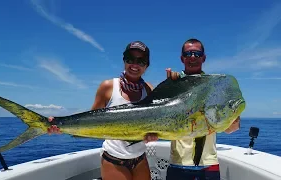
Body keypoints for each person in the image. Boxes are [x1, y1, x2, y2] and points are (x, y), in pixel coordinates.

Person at [47, 41, 158, 180]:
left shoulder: (148, 89)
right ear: (124, 60)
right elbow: (90, 122)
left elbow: (151, 123)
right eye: (130, 59)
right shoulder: (108, 87)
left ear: (147, 65)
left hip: (140, 158)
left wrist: (152, 135)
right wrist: (60, 125)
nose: (135, 65)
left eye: (141, 61)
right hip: (114, 160)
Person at [165, 38, 241, 180]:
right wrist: (169, 86)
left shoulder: (215, 87)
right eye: (188, 54)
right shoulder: (174, 84)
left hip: (208, 165)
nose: (192, 57)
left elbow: (231, 129)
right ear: (182, 58)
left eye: (197, 54)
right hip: (178, 163)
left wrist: (233, 116)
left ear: (203, 58)